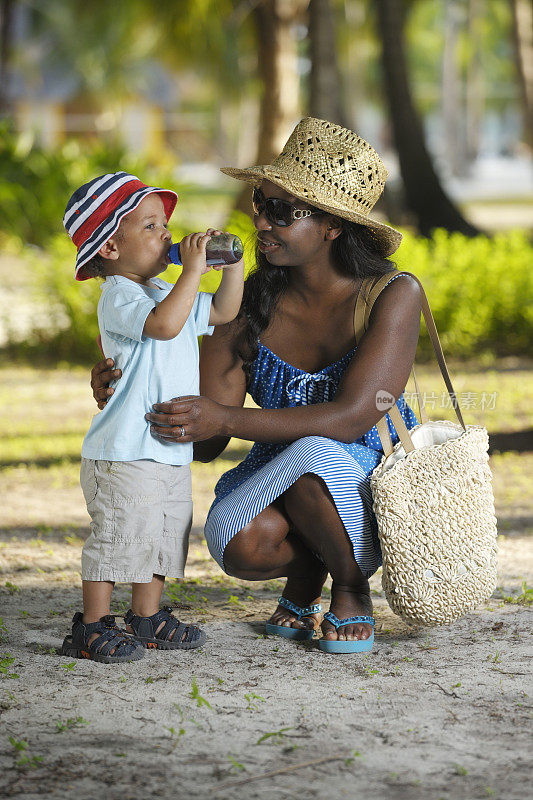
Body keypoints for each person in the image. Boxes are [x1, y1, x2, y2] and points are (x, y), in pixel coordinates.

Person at [91, 119, 422, 655]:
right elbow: (206, 443)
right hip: (280, 471)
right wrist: (131, 380)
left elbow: (354, 416)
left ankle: (352, 584)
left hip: (370, 481)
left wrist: (227, 419)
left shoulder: (389, 294)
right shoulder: (244, 306)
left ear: (333, 225)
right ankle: (307, 574)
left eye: (283, 211)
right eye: (259, 204)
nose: (261, 222)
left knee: (316, 451)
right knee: (239, 541)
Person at [62, 171, 244, 663]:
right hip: (123, 452)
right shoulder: (120, 295)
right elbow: (163, 327)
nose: (166, 234)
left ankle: (146, 616)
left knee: (164, 535)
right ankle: (92, 626)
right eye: (148, 226)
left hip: (166, 449)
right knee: (120, 536)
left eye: (165, 224)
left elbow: (224, 313)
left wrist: (230, 266)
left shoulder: (167, 290)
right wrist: (191, 272)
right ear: (111, 250)